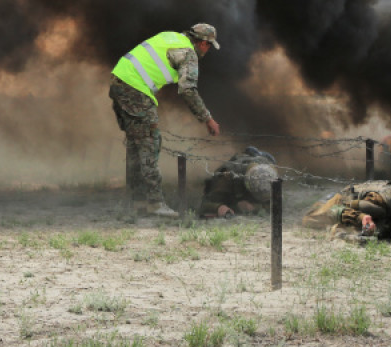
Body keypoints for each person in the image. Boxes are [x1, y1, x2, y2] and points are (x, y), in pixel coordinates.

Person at [110, 24, 222, 217]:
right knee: (149, 144)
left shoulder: (170, 36)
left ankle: (138, 203)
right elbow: (188, 90)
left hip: (118, 82)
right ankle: (155, 203)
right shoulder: (189, 53)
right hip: (135, 89)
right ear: (203, 43)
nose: (208, 50)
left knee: (136, 145)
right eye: (209, 46)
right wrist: (207, 118)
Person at [198, 147, 278, 218]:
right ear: (247, 186)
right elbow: (204, 205)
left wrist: (255, 207)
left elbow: (277, 205)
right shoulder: (227, 177)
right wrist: (219, 207)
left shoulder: (270, 176)